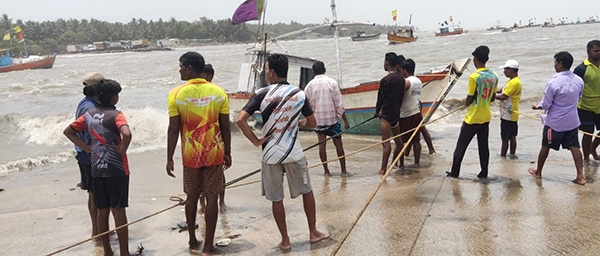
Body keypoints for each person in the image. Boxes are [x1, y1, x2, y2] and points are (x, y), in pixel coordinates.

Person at [236, 54, 329, 250]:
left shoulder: (261, 93)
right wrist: (295, 124)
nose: (267, 72)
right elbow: (313, 123)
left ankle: (285, 240)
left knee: (277, 199)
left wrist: (255, 141)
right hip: (294, 153)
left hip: (270, 155)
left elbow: (240, 120)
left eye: (267, 69)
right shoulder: (299, 94)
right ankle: (313, 232)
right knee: (306, 191)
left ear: (271, 71)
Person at [166, 52, 232, 255]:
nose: (179, 70)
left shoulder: (176, 94)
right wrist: (228, 152)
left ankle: (193, 240)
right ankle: (209, 245)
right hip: (214, 153)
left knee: (191, 196)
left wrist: (169, 158)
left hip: (189, 155)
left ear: (189, 68)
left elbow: (173, 129)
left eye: (181, 66)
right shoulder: (219, 92)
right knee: (212, 197)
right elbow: (226, 127)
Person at [64, 79, 133, 256]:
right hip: (117, 169)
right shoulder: (117, 115)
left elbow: (69, 131)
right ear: (114, 98)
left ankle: (107, 251)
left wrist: (87, 148)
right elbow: (126, 133)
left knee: (102, 211)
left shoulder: (88, 115)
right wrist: (122, 149)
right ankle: (124, 252)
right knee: (119, 211)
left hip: (97, 168)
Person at [529, 51, 586, 185]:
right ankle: (580, 176)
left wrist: (537, 106)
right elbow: (579, 97)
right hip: (572, 121)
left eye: (555, 62)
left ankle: (539, 171)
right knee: (574, 147)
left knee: (545, 146)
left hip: (555, 123)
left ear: (560, 64)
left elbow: (546, 104)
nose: (554, 65)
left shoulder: (553, 83)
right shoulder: (579, 80)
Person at [448, 45, 498, 179]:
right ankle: (484, 172)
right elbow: (492, 98)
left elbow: (469, 100)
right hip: (486, 116)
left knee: (460, 147)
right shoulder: (494, 76)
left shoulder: (474, 77)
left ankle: (454, 173)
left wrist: (465, 101)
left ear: (476, 59)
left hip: (472, 118)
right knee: (483, 146)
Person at [303, 61, 351, 176]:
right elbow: (339, 104)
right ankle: (343, 170)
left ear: (313, 72)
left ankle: (326, 171)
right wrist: (345, 120)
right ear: (325, 70)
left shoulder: (309, 86)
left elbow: (306, 104)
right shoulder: (332, 82)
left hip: (319, 121)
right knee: (339, 145)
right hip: (332, 121)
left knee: (322, 146)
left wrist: (308, 120)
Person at [74, 72, 102, 242]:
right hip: (88, 155)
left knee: (94, 193)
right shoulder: (90, 107)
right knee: (95, 193)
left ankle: (98, 229)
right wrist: (87, 148)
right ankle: (96, 231)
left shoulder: (87, 103)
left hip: (84, 153)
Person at [197, 63, 227, 214]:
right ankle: (202, 204)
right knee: (200, 178)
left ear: (209, 76)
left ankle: (221, 201)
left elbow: (224, 124)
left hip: (215, 142)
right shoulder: (195, 94)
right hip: (199, 142)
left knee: (219, 175)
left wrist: (226, 149)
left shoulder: (217, 93)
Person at [375, 52, 405, 175]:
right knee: (399, 142)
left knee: (386, 143)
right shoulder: (401, 79)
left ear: (387, 63)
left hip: (386, 115)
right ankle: (400, 164)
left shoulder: (385, 80)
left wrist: (377, 112)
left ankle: (383, 169)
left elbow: (380, 98)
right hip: (396, 114)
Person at [574, 40, 600, 164]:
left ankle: (593, 149)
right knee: (588, 133)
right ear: (588, 51)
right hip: (585, 107)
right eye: (596, 51)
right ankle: (586, 159)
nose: (599, 53)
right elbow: (573, 88)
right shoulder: (581, 69)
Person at [398, 59, 423, 169]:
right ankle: (416, 163)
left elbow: (399, 96)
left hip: (406, 115)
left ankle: (401, 165)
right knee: (416, 140)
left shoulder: (406, 82)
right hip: (417, 113)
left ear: (404, 70)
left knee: (401, 142)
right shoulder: (418, 81)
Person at [495, 60, 522, 157]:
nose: (504, 71)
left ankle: (503, 156)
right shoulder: (511, 81)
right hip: (509, 113)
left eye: (505, 69)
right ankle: (512, 155)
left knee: (506, 138)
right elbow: (500, 90)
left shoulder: (514, 82)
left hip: (509, 114)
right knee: (511, 136)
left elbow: (503, 96)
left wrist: (490, 95)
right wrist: (488, 88)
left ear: (511, 70)